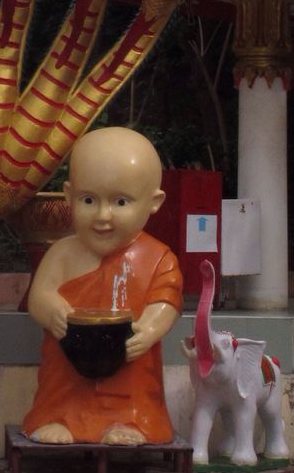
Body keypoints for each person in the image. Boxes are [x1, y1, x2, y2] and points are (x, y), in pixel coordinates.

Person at [22, 126, 183, 446]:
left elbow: (167, 300)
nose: (102, 215)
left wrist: (148, 330)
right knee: (61, 385)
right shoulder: (62, 253)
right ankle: (57, 417)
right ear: (68, 195)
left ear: (154, 202)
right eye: (88, 200)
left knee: (134, 385)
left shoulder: (158, 257)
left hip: (128, 359)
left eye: (121, 202)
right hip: (69, 359)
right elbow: (39, 296)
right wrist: (52, 310)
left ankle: (132, 422)